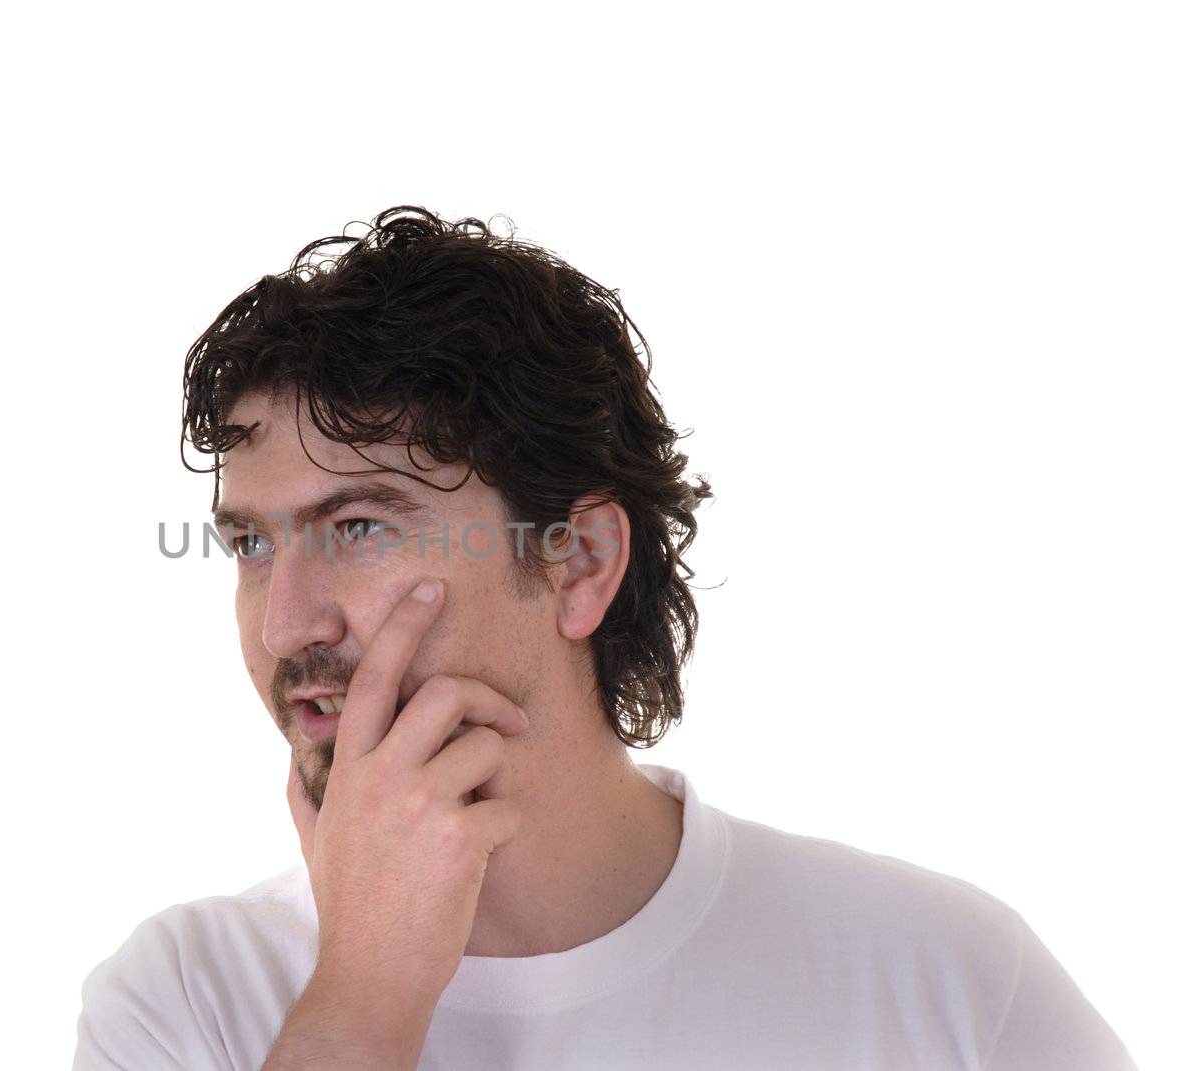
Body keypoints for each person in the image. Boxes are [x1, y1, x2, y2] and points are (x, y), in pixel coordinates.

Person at [72, 206, 1135, 1070]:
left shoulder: (941, 980)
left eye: (357, 527)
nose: (285, 620)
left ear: (578, 560)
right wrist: (362, 996)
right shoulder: (185, 1003)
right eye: (252, 544)